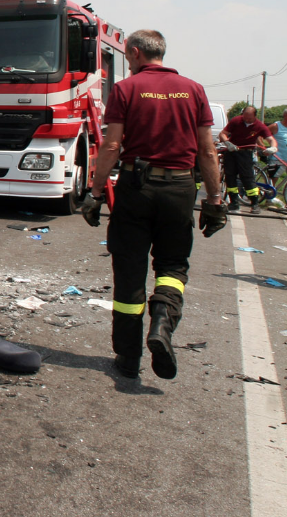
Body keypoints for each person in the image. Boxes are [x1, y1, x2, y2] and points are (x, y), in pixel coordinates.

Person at [80, 30, 226, 381]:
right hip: (179, 187)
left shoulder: (127, 89)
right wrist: (215, 200)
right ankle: (162, 323)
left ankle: (128, 358)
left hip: (136, 186)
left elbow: (112, 147)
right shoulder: (194, 89)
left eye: (127, 57)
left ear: (133, 53)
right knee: (173, 266)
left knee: (130, 271)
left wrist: (95, 193)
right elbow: (207, 151)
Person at [218, 106, 277, 214]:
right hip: (232, 152)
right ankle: (234, 203)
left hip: (245, 154)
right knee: (230, 177)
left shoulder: (259, 126)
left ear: (255, 116)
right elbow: (222, 134)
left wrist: (273, 147)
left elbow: (270, 139)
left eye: (249, 118)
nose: (246, 119)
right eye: (245, 116)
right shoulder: (236, 121)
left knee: (247, 178)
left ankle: (254, 204)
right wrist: (227, 143)